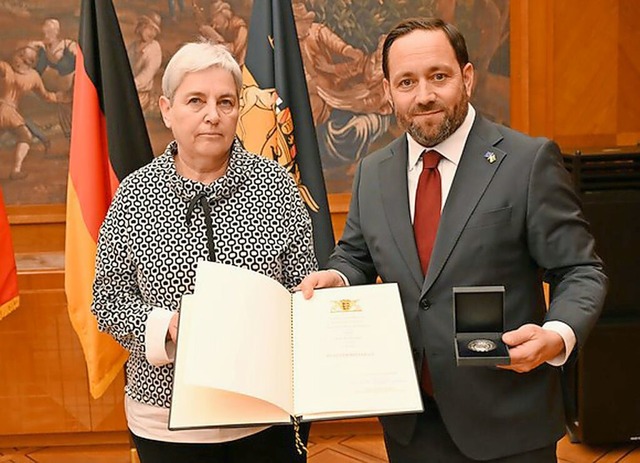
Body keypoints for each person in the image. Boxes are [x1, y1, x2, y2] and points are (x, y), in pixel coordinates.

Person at [298, 17, 607, 462]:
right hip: (411, 423)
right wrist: (339, 279)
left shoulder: (526, 161)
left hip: (508, 421)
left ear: (466, 78)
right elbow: (355, 255)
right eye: (406, 81)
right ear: (387, 92)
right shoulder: (373, 172)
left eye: (437, 76)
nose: (423, 95)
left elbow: (580, 270)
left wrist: (556, 336)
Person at [91, 41, 317, 463]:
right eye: (196, 100)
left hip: (262, 413)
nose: (213, 114)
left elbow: (303, 286)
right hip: (166, 419)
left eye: (225, 102)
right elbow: (108, 300)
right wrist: (166, 326)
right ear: (166, 109)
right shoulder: (134, 195)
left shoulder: (276, 186)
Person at [0, 46, 59, 180]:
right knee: (25, 136)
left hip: (9, 112)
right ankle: (16, 170)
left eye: (23, 58)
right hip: (7, 111)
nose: (18, 60)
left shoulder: (32, 76)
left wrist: (61, 97)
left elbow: (46, 96)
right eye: (19, 55)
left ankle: (16, 171)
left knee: (24, 135)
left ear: (30, 63)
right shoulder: (6, 68)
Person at [30, 18, 77, 138]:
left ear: (56, 32)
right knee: (67, 121)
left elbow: (82, 62)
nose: (46, 35)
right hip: (61, 92)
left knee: (79, 115)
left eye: (49, 32)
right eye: (44, 32)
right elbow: (38, 71)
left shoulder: (69, 45)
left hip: (75, 88)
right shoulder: (44, 50)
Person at [127, 13, 162, 112]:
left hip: (141, 95)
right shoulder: (132, 47)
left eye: (155, 31)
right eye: (150, 28)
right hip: (127, 90)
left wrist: (130, 84)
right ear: (141, 27)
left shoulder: (154, 48)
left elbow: (147, 74)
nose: (152, 33)